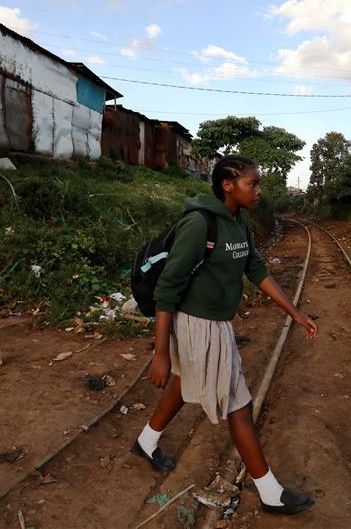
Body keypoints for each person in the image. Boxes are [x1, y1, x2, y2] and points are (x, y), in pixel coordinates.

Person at [133, 155, 319, 516]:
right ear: (228, 185)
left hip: (218, 324)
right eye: (253, 183)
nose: (259, 190)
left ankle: (146, 441)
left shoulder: (239, 224)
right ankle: (270, 491)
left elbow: (257, 269)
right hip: (196, 323)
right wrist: (160, 352)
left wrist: (294, 312)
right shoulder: (199, 224)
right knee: (239, 404)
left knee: (184, 382)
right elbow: (167, 289)